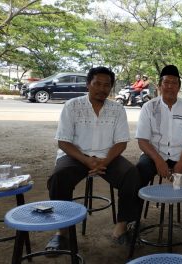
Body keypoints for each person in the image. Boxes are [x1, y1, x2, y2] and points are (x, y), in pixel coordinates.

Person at [46, 66, 142, 251]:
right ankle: (62, 232)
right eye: (97, 83)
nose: (101, 89)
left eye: (107, 85)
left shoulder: (117, 109)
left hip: (108, 157)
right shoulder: (72, 106)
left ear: (111, 88)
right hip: (75, 155)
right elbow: (63, 142)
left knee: (132, 174)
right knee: (59, 177)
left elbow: (121, 143)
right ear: (88, 84)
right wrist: (86, 160)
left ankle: (121, 227)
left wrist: (104, 162)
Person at [135, 65, 182, 224]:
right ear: (159, 85)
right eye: (166, 82)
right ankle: (134, 216)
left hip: (181, 154)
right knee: (137, 175)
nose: (170, 86)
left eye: (174, 83)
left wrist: (181, 164)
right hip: (155, 153)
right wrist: (158, 160)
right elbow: (142, 140)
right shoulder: (149, 107)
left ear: (179, 87)